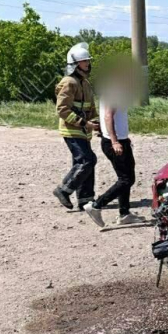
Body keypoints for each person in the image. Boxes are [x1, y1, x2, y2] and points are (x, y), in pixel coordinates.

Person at [83, 64, 146, 230]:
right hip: (115, 143)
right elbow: (108, 116)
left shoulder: (115, 92)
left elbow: (112, 118)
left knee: (126, 177)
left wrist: (122, 138)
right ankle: (96, 205)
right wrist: (114, 141)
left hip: (121, 140)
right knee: (127, 179)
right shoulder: (115, 92)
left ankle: (124, 214)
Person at [53, 43, 99, 212]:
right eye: (84, 61)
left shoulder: (85, 83)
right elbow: (62, 109)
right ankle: (63, 190)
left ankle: (85, 200)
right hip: (72, 130)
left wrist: (96, 123)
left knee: (85, 164)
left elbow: (91, 108)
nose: (87, 63)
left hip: (83, 131)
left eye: (88, 60)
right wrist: (84, 123)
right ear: (74, 63)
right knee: (88, 160)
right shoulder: (68, 82)